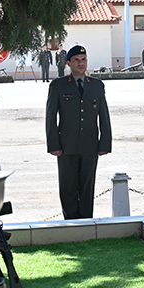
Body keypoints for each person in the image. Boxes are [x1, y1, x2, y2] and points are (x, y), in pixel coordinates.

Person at [46, 45, 112, 218]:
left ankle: (86, 223)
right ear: (68, 63)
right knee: (68, 187)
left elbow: (104, 116)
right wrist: (54, 144)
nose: (81, 64)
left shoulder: (97, 86)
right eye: (76, 60)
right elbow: (50, 118)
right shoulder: (58, 86)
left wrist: (104, 143)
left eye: (83, 60)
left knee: (87, 187)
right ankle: (70, 224)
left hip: (90, 145)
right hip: (66, 146)